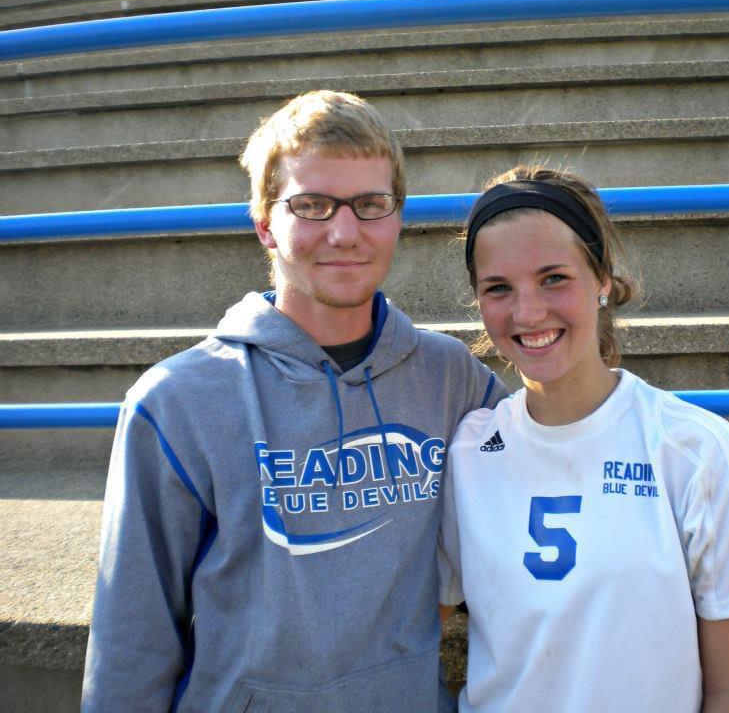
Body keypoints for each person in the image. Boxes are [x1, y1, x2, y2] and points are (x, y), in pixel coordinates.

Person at [82, 90, 504, 713]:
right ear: (264, 225)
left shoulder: (452, 378)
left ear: (397, 218)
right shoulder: (176, 402)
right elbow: (131, 642)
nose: (344, 232)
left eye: (370, 204)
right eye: (311, 205)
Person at [439, 165, 729, 713]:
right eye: (498, 288)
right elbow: (416, 623)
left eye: (554, 278)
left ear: (602, 280)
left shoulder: (695, 449)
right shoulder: (467, 452)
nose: (528, 312)